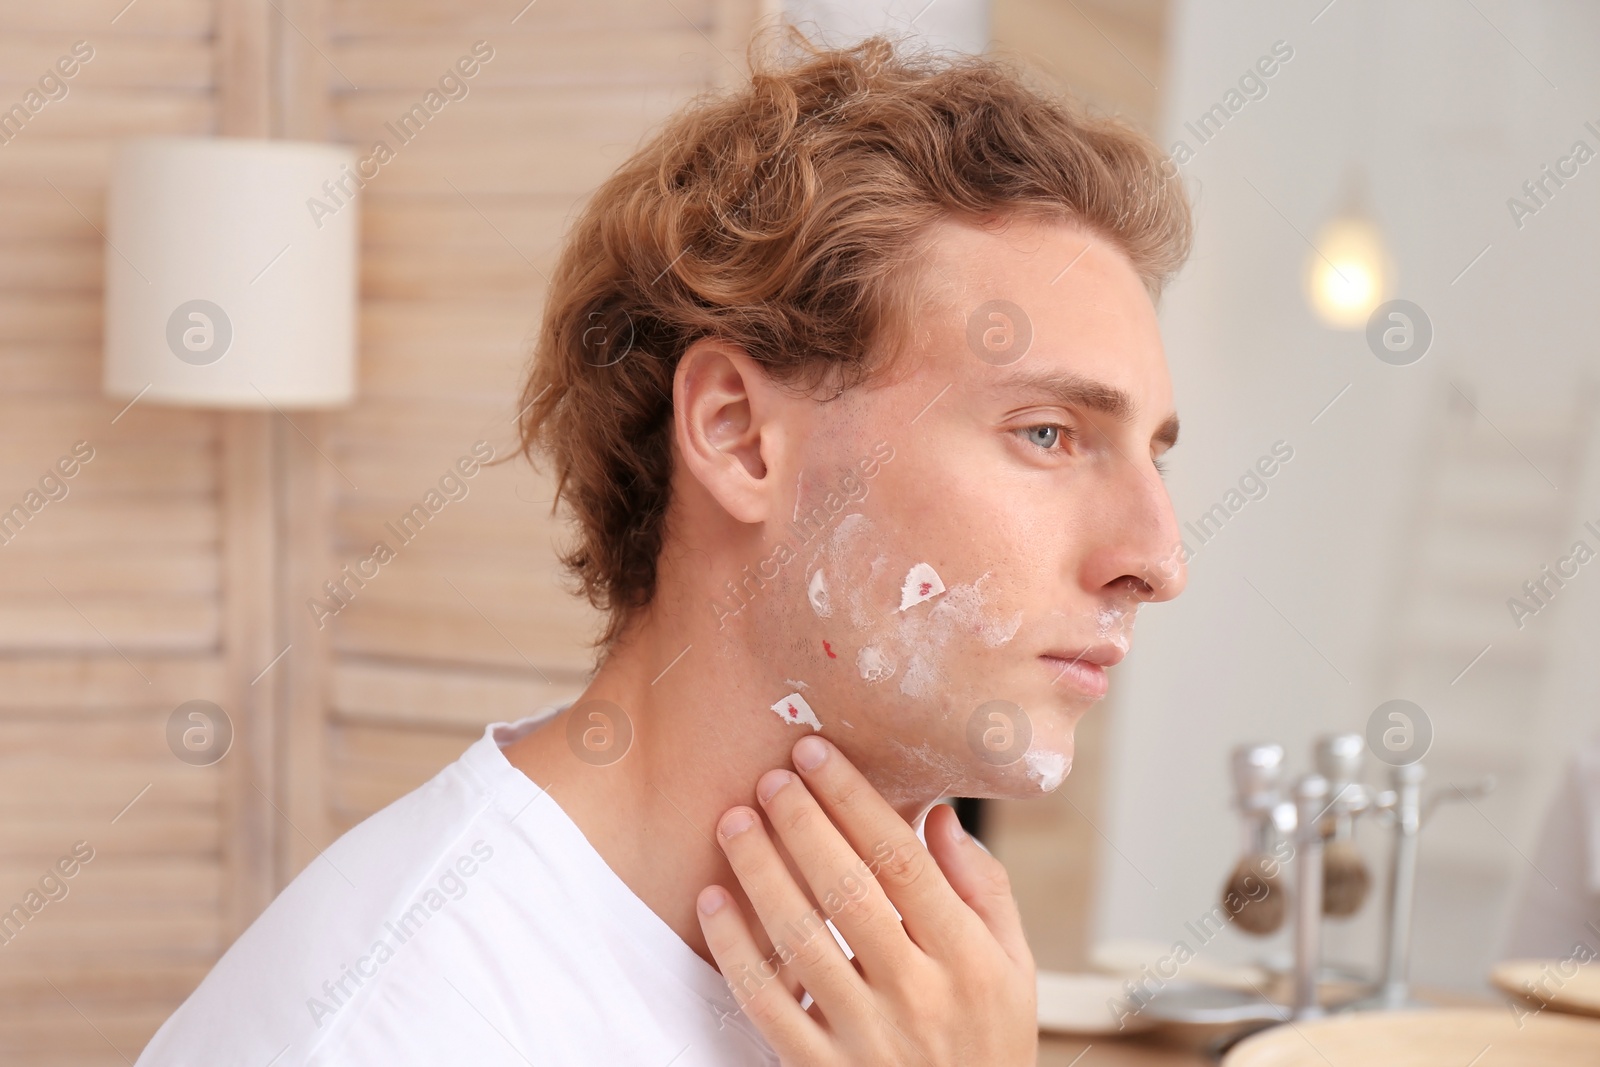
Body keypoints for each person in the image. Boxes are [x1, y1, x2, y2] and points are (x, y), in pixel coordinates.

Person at [136, 33, 1192, 1066]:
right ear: (737, 436)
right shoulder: (395, 1022)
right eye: (1047, 433)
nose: (1157, 557)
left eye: (1153, 454)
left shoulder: (920, 1006)